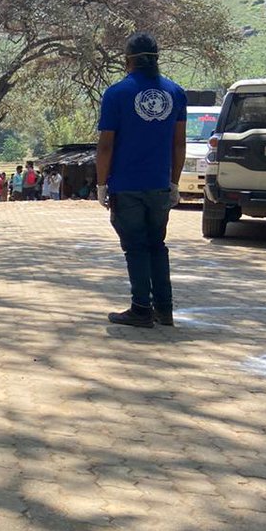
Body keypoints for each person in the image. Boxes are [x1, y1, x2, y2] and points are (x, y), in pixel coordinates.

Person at [96, 30, 187, 328]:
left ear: (128, 61)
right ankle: (165, 309)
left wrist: (101, 184)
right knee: (157, 245)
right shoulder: (175, 93)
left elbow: (106, 145)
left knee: (135, 246)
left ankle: (140, 308)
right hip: (160, 183)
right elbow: (178, 144)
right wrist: (174, 182)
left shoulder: (116, 94)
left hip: (127, 184)